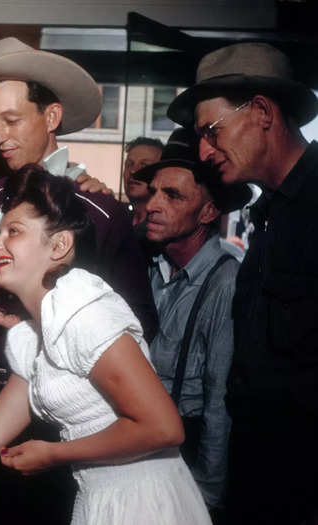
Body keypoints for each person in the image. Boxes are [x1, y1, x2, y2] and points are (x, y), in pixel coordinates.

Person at [0, 165, 211, 525]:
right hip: (100, 500)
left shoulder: (84, 310)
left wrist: (55, 454)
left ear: (60, 245)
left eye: (12, 231)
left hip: (145, 504)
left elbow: (164, 428)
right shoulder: (38, 333)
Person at [0, 37, 158, 392]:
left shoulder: (101, 214)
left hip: (59, 399)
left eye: (11, 120)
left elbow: (137, 320)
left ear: (51, 116)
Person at [167, 42, 318, 524]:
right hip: (257, 473)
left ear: (261, 112)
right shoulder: (268, 214)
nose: (205, 151)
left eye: (212, 132)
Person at [132, 127, 251, 519]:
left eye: (173, 195)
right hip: (133, 453)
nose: (153, 204)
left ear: (208, 212)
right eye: (153, 192)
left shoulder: (225, 280)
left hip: (185, 461)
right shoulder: (146, 267)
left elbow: (220, 403)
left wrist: (205, 498)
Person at [122, 136, 163, 229]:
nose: (133, 171)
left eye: (144, 166)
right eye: (129, 164)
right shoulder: (117, 217)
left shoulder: (163, 226)